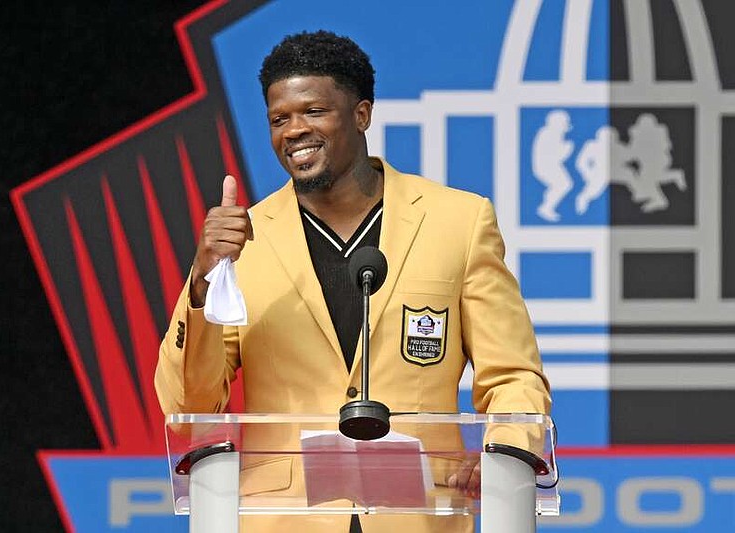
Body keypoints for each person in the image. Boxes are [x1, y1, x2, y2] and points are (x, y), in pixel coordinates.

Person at [155, 30, 551, 533]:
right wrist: (204, 278)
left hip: (421, 516)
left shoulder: (459, 221)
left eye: (313, 112)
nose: (294, 130)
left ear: (361, 114)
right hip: (283, 520)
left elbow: (514, 374)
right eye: (280, 119)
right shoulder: (244, 240)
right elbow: (190, 406)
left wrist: (507, 455)